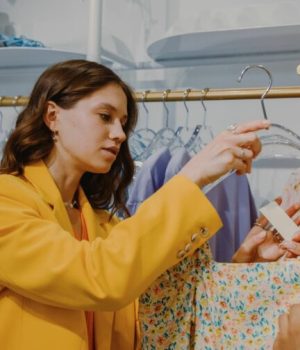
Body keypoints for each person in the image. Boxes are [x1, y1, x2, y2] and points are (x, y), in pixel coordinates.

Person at [0, 59, 269, 350]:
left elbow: (160, 311)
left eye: (123, 123)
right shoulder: (7, 200)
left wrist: (244, 266)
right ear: (52, 116)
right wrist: (191, 176)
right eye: (105, 116)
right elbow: (98, 277)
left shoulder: (104, 224)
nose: (120, 134)